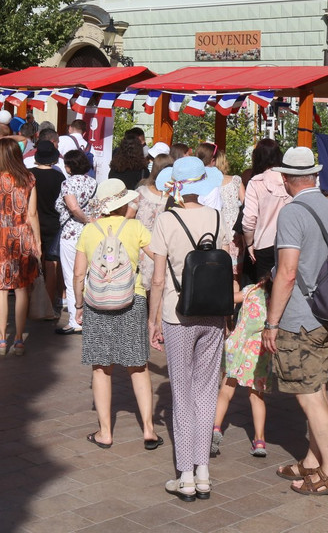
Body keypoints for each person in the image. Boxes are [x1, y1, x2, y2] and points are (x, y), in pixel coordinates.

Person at [261, 146, 328, 497]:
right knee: (316, 388)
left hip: (300, 319)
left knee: (308, 396)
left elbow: (287, 273)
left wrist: (271, 323)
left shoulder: (293, 213)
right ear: (314, 176)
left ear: (287, 179)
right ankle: (313, 461)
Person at [149, 156, 230, 501]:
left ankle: (184, 475)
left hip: (176, 312)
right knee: (207, 389)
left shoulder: (166, 219)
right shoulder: (215, 216)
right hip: (213, 311)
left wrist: (153, 321)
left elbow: (156, 278)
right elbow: (227, 268)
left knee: (181, 392)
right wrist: (227, 316)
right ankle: (204, 472)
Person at [72, 179, 160, 449]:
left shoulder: (89, 230)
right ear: (123, 203)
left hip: (97, 303)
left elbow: (78, 274)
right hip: (132, 299)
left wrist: (78, 305)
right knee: (138, 366)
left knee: (101, 367)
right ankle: (148, 429)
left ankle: (105, 432)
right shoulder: (135, 227)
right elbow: (159, 256)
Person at [0, 138, 42, 356]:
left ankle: (1, 340)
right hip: (23, 235)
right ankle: (18, 339)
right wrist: (38, 242)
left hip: (0, 236)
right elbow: (32, 214)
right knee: (21, 287)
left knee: (0, 288)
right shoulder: (28, 178)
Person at [211, 266, 272, 459]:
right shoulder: (277, 300)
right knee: (256, 396)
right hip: (258, 352)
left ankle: (215, 428)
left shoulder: (251, 290)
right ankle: (260, 440)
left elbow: (231, 298)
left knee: (226, 391)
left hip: (236, 346)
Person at [56, 149, 96, 334]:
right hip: (90, 234)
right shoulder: (93, 183)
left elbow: (72, 207)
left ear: (70, 167)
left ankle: (75, 319)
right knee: (87, 275)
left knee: (72, 277)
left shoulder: (67, 184)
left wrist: (83, 218)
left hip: (71, 234)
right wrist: (90, 220)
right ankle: (90, 316)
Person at [27, 139, 63, 319]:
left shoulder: (28, 175)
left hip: (32, 223)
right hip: (54, 223)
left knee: (30, 265)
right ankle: (48, 307)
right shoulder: (59, 177)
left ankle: (27, 306)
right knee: (51, 266)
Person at [242, 139, 288, 277]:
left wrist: (249, 244)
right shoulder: (289, 180)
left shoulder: (256, 183)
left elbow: (249, 219)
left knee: (265, 292)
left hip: (264, 244)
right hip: (290, 242)